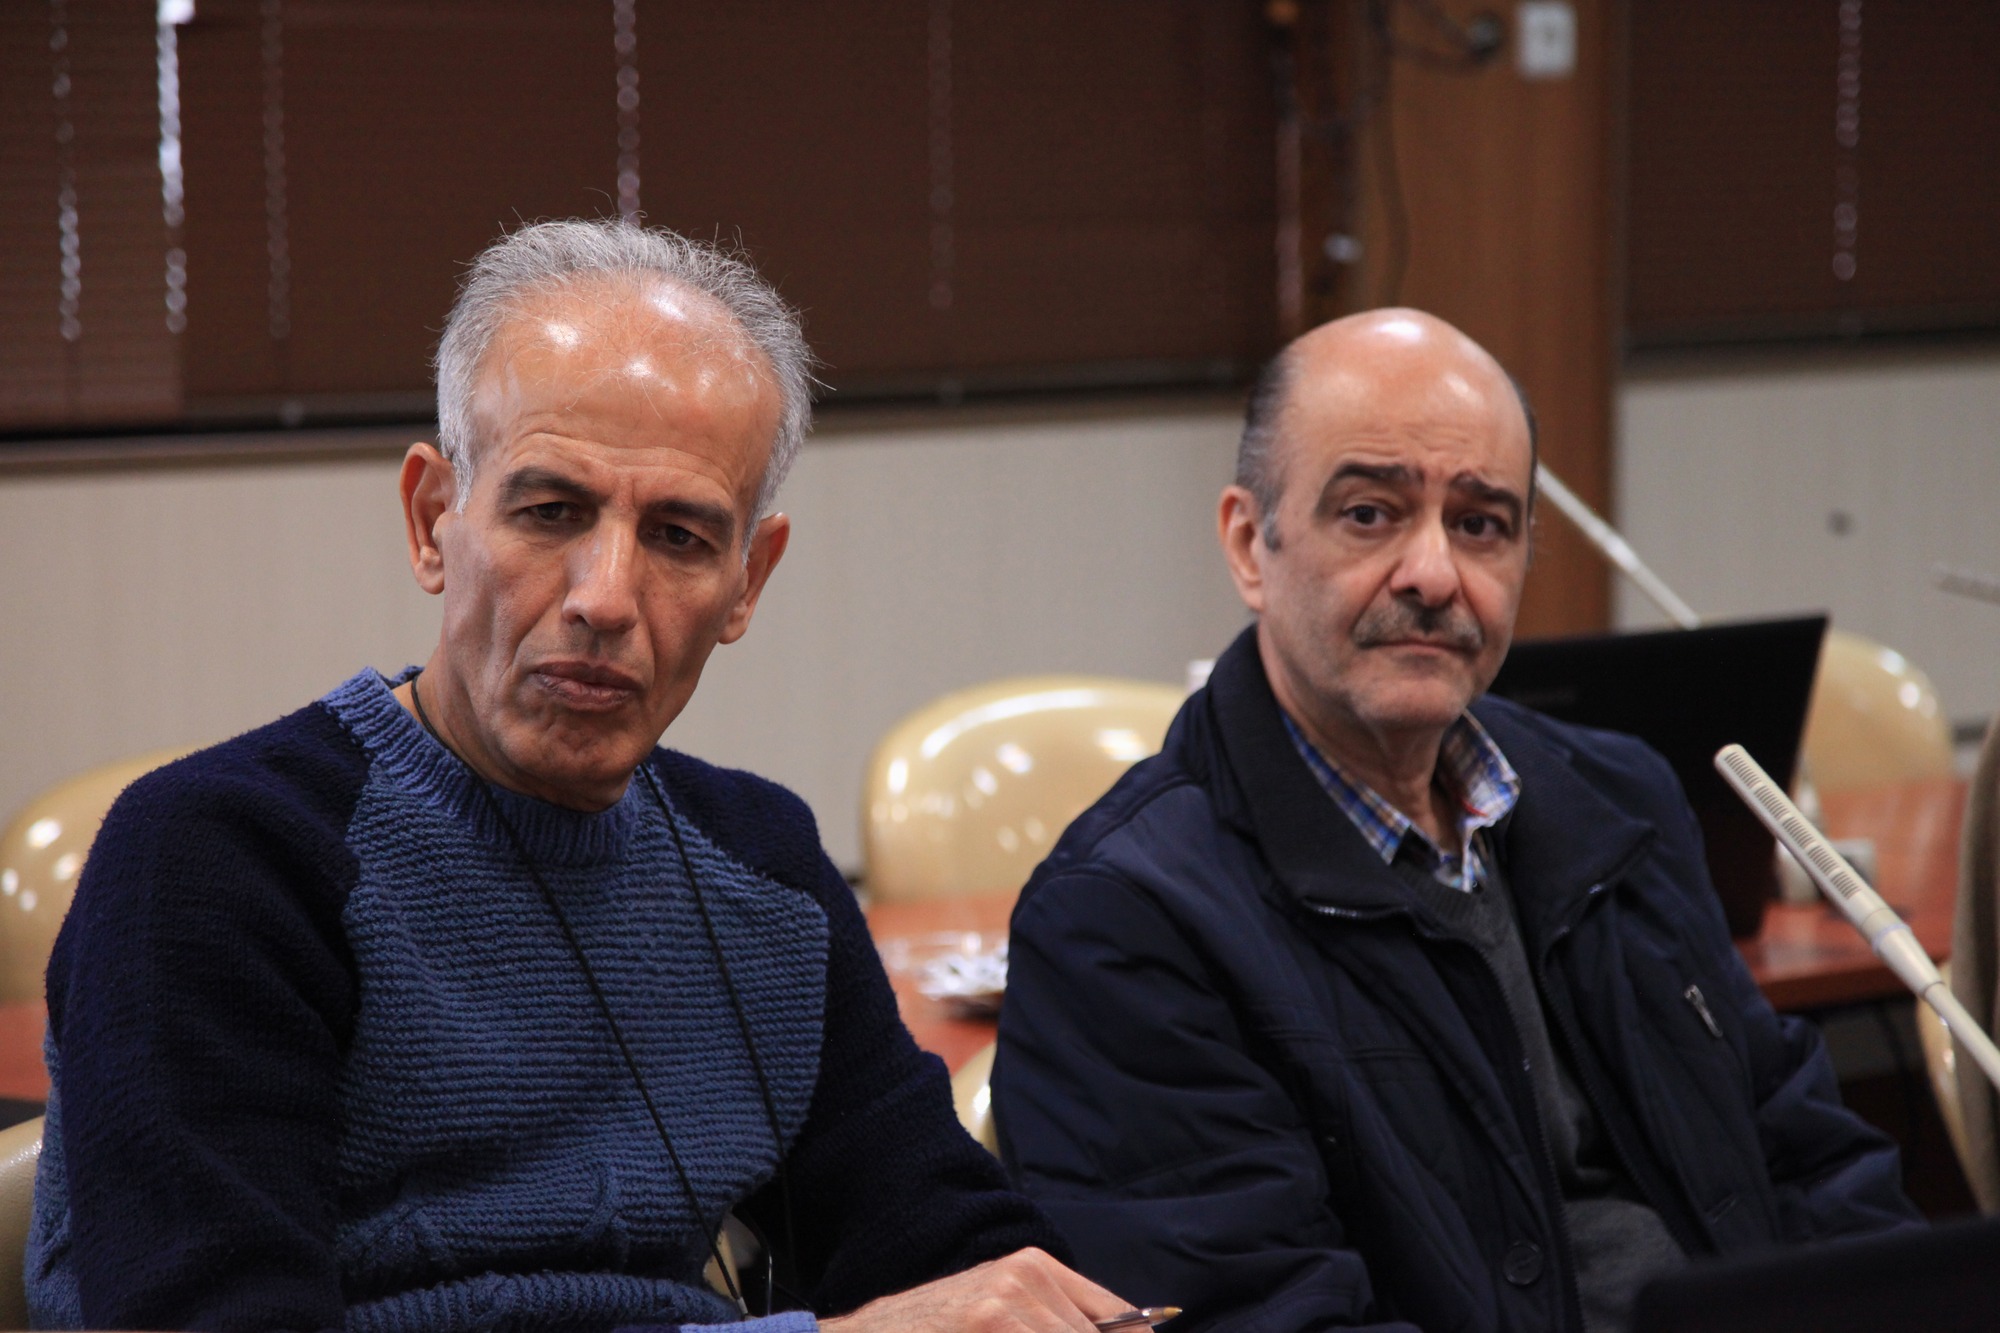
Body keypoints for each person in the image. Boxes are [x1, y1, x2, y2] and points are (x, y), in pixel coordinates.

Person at [30, 219, 1129, 1333]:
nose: (605, 597)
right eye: (551, 512)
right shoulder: (222, 858)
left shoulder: (760, 866)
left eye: (680, 536)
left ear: (748, 581)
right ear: (432, 521)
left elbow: (947, 1244)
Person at [992, 309, 1921, 1333]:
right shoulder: (1123, 919)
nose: (1433, 575)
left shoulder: (1617, 798)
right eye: (1369, 513)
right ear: (1251, 545)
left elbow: (1804, 1156)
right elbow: (1257, 1314)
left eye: (1480, 525)